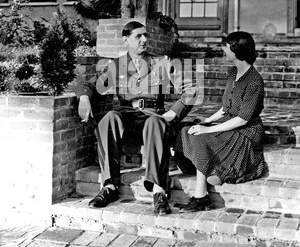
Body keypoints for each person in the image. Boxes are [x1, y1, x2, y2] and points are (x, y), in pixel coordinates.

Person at [76, 20, 196, 215]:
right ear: (126, 40)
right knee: (109, 119)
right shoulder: (117, 65)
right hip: (127, 115)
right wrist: (83, 97)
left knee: (156, 122)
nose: (144, 40)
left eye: (145, 35)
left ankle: (159, 191)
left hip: (152, 115)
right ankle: (109, 186)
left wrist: (174, 111)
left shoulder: (162, 63)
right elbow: (89, 85)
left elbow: (190, 89)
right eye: (138, 36)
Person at [174, 31, 266, 213]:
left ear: (236, 50)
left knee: (203, 137)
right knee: (187, 130)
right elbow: (226, 108)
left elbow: (242, 119)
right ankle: (206, 168)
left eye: (227, 45)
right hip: (229, 121)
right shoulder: (233, 73)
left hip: (246, 130)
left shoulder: (255, 81)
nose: (223, 48)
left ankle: (201, 197)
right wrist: (206, 121)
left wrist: (206, 130)